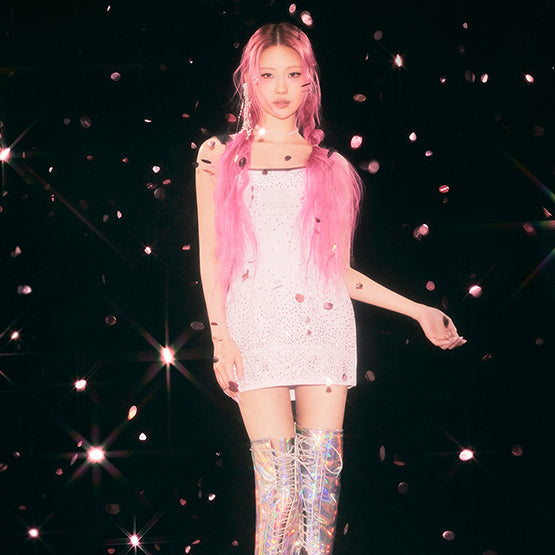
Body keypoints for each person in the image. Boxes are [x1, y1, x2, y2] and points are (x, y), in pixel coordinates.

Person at [195, 22, 466, 555]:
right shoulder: (219, 155)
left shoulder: (331, 165)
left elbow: (339, 271)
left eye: (292, 74)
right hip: (254, 330)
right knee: (278, 498)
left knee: (318, 498)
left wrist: (418, 310)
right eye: (267, 75)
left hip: (322, 329)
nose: (280, 88)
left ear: (309, 80)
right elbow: (211, 255)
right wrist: (221, 339)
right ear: (248, 80)